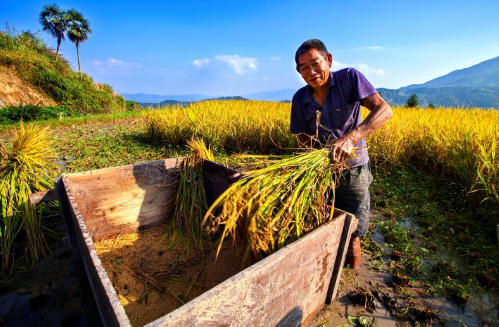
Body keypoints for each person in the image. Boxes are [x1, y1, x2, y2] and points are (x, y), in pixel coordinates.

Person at [290, 39, 393, 268]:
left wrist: (350, 139)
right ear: (299, 72)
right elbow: (302, 137)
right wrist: (313, 160)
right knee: (320, 221)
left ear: (328, 60)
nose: (311, 71)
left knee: (352, 231)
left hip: (353, 170)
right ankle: (326, 270)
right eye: (304, 68)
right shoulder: (300, 99)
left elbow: (384, 110)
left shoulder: (349, 79)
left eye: (315, 63)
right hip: (319, 174)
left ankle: (351, 275)